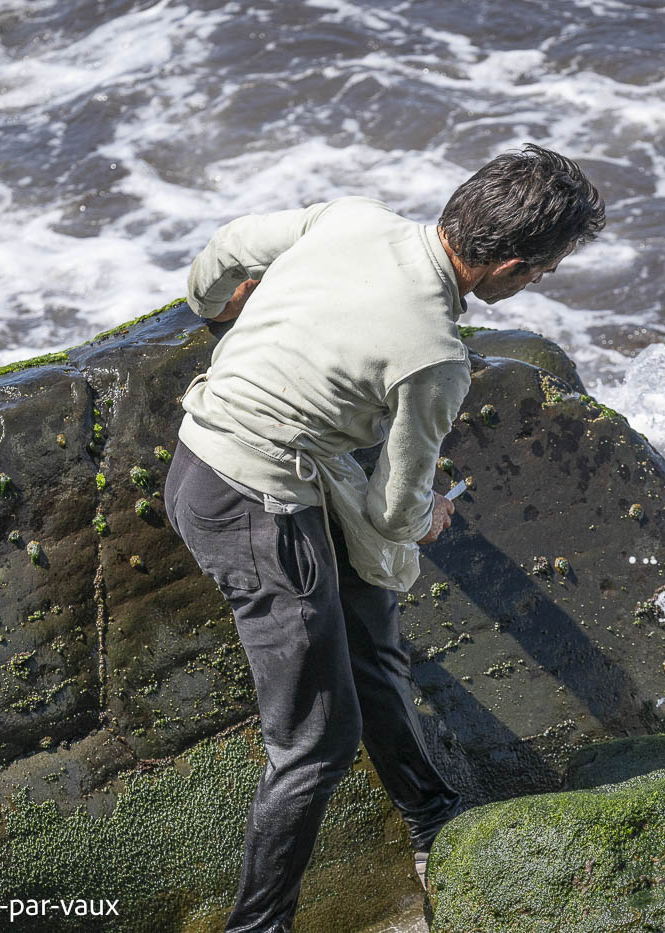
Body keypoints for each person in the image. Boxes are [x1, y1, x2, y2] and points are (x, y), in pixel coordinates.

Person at [162, 144, 605, 932]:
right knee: (315, 746)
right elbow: (398, 508)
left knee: (369, 623)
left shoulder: (351, 220)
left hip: (214, 453)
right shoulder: (435, 355)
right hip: (251, 503)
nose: (538, 283)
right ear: (506, 266)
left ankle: (430, 814)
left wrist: (212, 306)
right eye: (541, 272)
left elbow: (229, 247)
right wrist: (430, 512)